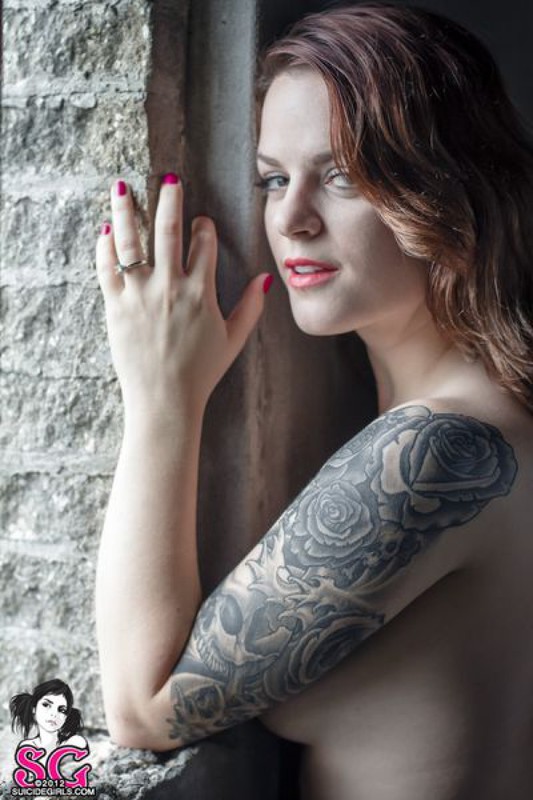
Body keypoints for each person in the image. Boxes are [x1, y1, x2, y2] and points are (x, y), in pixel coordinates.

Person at [94, 3, 533, 798]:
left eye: (341, 177)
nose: (290, 220)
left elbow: (141, 707)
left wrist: (161, 398)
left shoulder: (438, 447)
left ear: (446, 186)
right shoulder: (479, 411)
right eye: (273, 178)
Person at [10, 679, 87, 757]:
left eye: (62, 710)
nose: (54, 714)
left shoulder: (75, 742)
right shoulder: (27, 746)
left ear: (66, 717)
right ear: (33, 708)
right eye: (46, 705)